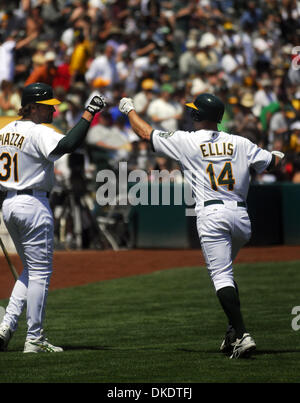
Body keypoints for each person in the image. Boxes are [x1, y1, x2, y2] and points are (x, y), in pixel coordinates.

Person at [118, 93, 284, 359]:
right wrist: (278, 153)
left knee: (221, 276)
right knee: (226, 273)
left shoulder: (187, 140)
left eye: (193, 111)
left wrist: (128, 110)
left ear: (197, 116)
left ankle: (242, 335)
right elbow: (273, 162)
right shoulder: (240, 141)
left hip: (212, 213)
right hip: (241, 217)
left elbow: (145, 132)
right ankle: (233, 331)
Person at [0, 82, 105, 353]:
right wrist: (88, 113)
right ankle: (34, 338)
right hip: (33, 202)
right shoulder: (37, 132)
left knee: (30, 270)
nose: (52, 111)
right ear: (32, 107)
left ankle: (6, 328)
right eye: (47, 107)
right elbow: (68, 144)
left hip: (9, 203)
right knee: (40, 273)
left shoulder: (5, 131)